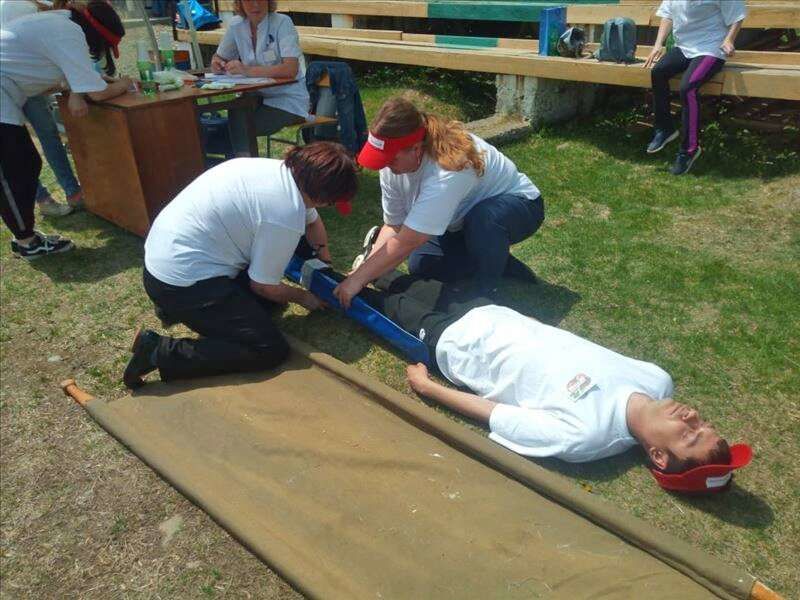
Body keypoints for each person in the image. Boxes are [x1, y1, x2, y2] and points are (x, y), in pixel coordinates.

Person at [354, 272, 750, 493]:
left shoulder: (586, 438)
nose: (692, 416)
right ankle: (380, 270)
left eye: (689, 435)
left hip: (457, 346)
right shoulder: (658, 380)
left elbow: (497, 415)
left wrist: (430, 389)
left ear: (659, 457)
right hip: (493, 314)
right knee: (408, 282)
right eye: (703, 423)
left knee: (364, 300)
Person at [123, 142, 358, 389]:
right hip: (179, 285)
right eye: (332, 202)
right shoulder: (285, 213)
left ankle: (174, 310)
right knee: (269, 348)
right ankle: (158, 351)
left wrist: (324, 263)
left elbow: (313, 223)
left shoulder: (279, 172)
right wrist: (304, 297)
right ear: (322, 196)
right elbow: (263, 286)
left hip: (162, 262)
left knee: (268, 305)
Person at [333, 97, 544, 310]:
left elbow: (408, 240)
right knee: (422, 264)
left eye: (391, 159)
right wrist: (362, 272)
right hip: (461, 221)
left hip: (520, 206)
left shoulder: (450, 169)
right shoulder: (391, 166)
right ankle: (497, 258)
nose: (385, 166)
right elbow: (394, 226)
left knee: (483, 219)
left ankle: (485, 293)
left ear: (416, 149)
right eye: (382, 158)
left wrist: (359, 279)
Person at [0, 0, 131, 258]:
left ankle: (25, 237)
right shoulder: (69, 31)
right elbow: (97, 94)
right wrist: (125, 83)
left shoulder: (59, 23)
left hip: (6, 93)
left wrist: (86, 82)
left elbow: (51, 76)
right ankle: (26, 242)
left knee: (25, 164)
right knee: (15, 170)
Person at [0, 0, 84, 216]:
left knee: (48, 136)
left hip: (24, 81)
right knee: (21, 148)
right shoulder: (12, 5)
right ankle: (43, 199)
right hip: (11, 83)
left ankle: (72, 191)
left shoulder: (41, 5)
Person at [643, 0, 746, 175]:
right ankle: (664, 129)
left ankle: (689, 150)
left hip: (711, 49)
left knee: (688, 88)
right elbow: (667, 15)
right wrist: (658, 45)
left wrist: (729, 39)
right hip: (683, 47)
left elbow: (737, 15)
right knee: (658, 72)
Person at [210, 0, 310, 157]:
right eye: (249, 0)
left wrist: (247, 70)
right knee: (236, 110)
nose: (255, 4)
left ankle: (244, 163)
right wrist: (217, 63)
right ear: (240, 3)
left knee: (240, 126)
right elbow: (219, 56)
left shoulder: (282, 23)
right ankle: (242, 161)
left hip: (287, 100)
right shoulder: (236, 24)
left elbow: (291, 69)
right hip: (257, 96)